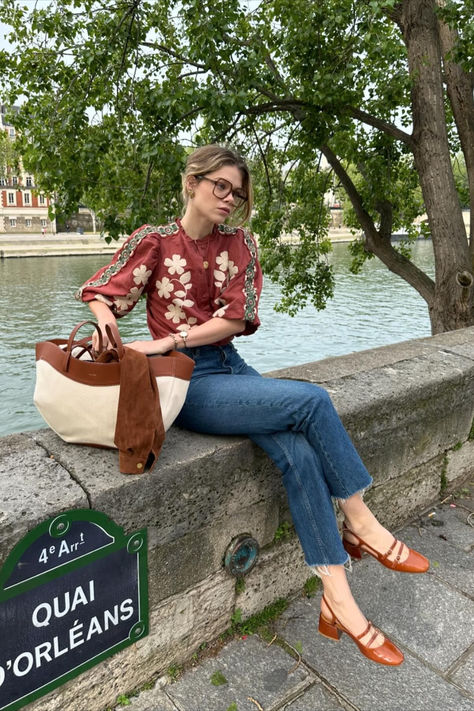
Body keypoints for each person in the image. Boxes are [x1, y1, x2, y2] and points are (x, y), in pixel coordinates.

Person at [76, 144, 429, 667]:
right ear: (192, 182)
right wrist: (109, 323)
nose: (228, 198)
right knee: (313, 400)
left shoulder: (242, 244)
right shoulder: (153, 242)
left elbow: (237, 319)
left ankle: (338, 596)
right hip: (187, 385)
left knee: (299, 455)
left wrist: (169, 339)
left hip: (229, 367)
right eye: (219, 185)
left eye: (237, 192)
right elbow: (101, 290)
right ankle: (360, 520)